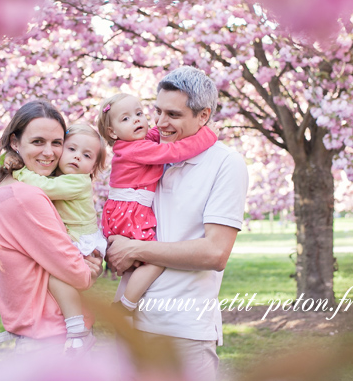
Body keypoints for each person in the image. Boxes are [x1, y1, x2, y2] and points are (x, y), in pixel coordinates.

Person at [106, 67, 249, 381]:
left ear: (203, 116)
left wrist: (136, 248)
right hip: (132, 324)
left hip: (184, 330)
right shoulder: (154, 155)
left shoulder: (225, 164)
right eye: (157, 111)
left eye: (172, 114)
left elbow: (215, 253)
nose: (159, 123)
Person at [0, 101, 103, 353]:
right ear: (15, 142)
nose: (49, 153)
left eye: (57, 143)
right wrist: (89, 270)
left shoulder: (13, 189)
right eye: (38, 142)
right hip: (52, 340)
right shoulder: (25, 196)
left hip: (45, 336)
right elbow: (78, 274)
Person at [96, 93, 217, 313]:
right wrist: (207, 135)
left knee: (138, 260)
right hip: (129, 212)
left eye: (139, 113)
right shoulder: (136, 149)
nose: (136, 120)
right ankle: (125, 305)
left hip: (122, 211)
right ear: (112, 132)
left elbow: (155, 134)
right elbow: (173, 150)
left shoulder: (134, 144)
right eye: (125, 119)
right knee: (154, 258)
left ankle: (125, 300)